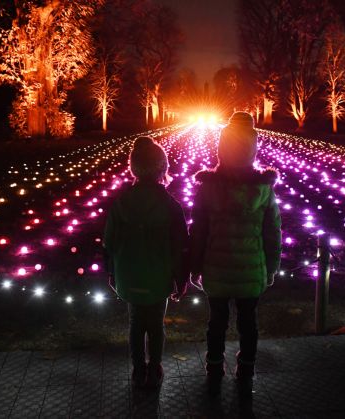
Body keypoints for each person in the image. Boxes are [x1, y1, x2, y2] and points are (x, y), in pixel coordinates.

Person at [189, 112, 282, 398]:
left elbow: (198, 230)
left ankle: (214, 366)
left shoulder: (208, 187)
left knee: (216, 321)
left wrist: (194, 265)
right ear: (252, 149)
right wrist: (271, 267)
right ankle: (246, 368)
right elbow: (273, 232)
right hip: (250, 268)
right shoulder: (263, 189)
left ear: (223, 147)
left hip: (216, 267)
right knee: (248, 321)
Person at [103, 137, 189, 389]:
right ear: (162, 168)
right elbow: (180, 246)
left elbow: (109, 242)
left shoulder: (121, 203)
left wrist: (112, 272)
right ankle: (155, 366)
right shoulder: (170, 206)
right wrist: (181, 278)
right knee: (155, 324)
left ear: (134, 168)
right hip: (159, 276)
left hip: (129, 274)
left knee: (135, 323)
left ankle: (138, 368)